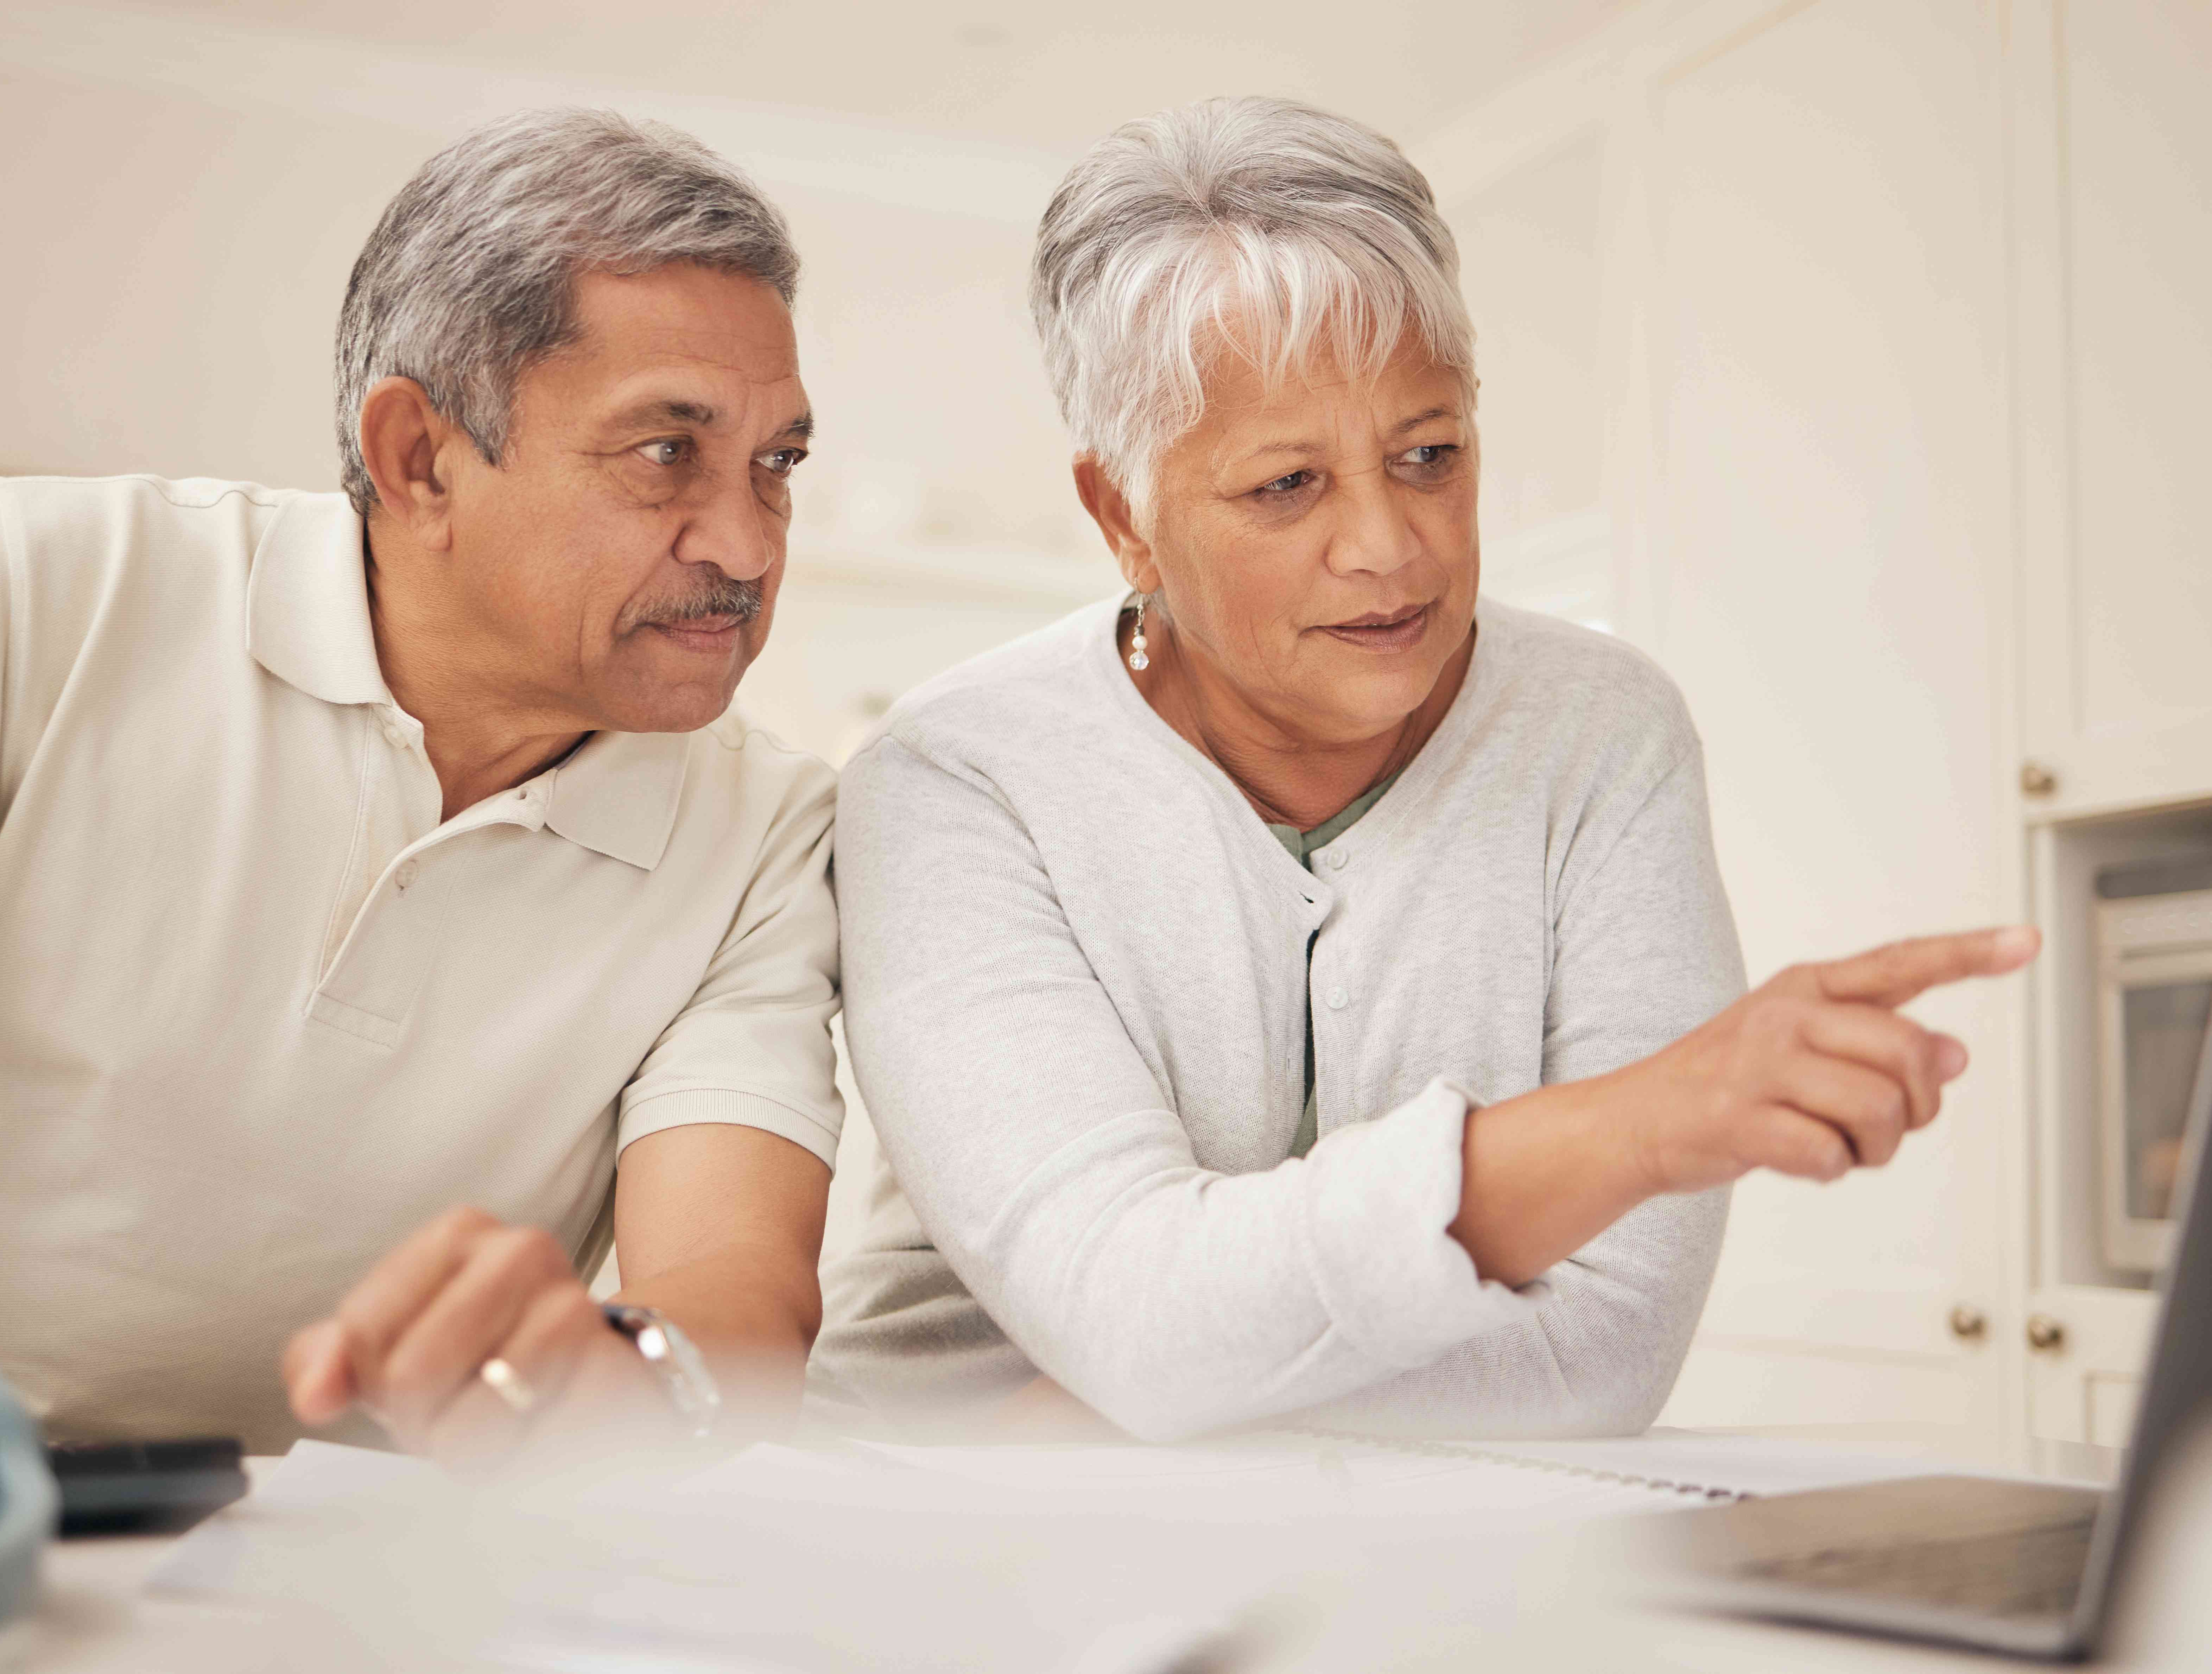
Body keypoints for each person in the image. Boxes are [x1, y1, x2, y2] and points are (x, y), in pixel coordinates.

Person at [813, 96, 2037, 1442]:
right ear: (1124, 516)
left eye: (1428, 456)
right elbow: (1133, 1322)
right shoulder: (953, 779)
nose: (1390, 548)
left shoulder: (1601, 732)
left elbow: (1607, 1358)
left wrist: (1141, 1394)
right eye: (1287, 486)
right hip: (955, 1550)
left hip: (1378, 1552)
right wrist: (1632, 1127)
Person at [0, 109, 841, 1458]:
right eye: (663, 452)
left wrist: (627, 1375)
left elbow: (736, 1288)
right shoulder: (51, 586)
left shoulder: (767, 832)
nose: (745, 541)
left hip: (328, 1562)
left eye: (777, 463)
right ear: (419, 458)